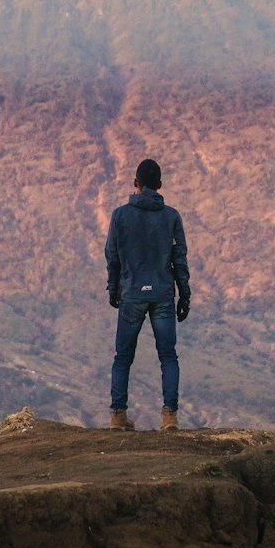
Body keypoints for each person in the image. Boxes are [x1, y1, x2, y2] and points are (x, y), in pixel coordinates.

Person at [105, 157, 191, 431]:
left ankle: (118, 416)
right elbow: (180, 258)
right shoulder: (171, 216)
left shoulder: (120, 216)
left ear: (136, 184)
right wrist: (184, 294)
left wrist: (113, 287)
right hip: (163, 293)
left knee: (123, 357)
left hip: (131, 293)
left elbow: (112, 255)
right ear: (160, 185)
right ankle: (170, 417)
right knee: (168, 356)